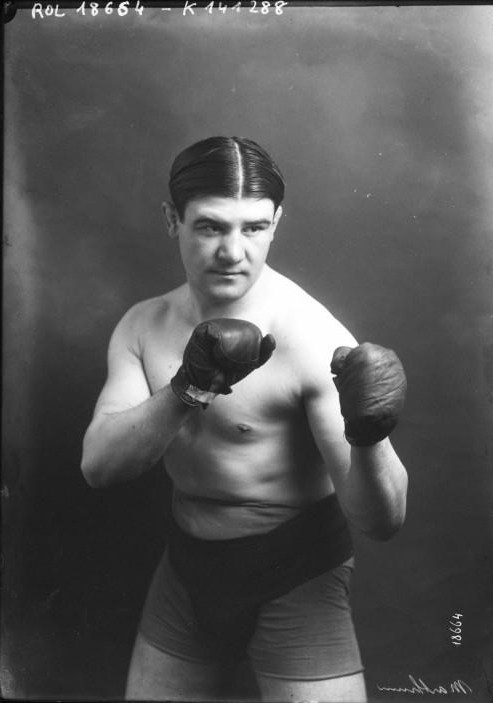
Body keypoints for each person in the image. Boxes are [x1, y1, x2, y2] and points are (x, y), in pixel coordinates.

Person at [81, 136, 408, 702]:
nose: (233, 251)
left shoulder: (313, 338)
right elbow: (99, 468)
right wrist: (188, 387)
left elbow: (382, 521)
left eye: (254, 228)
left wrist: (370, 437)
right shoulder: (143, 325)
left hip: (296, 572)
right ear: (172, 218)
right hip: (187, 569)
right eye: (210, 227)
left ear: (276, 222)